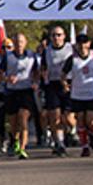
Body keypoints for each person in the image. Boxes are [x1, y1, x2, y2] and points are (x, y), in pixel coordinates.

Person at [0, 32, 42, 159]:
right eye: (16, 42)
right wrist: (7, 79)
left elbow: (37, 72)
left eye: (21, 42)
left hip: (26, 91)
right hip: (12, 91)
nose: (19, 45)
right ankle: (15, 141)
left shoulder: (31, 56)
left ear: (25, 43)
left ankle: (23, 148)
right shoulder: (8, 57)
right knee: (13, 122)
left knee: (23, 118)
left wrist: (35, 82)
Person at [62, 34, 93, 157]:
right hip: (78, 94)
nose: (82, 45)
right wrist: (65, 84)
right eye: (79, 43)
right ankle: (85, 146)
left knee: (91, 121)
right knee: (80, 119)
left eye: (84, 43)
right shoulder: (72, 59)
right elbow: (63, 74)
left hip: (92, 93)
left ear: (88, 43)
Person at [39, 25, 75, 156]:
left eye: (59, 35)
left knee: (68, 117)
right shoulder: (47, 51)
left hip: (69, 84)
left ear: (64, 36)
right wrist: (43, 77)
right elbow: (43, 67)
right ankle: (59, 143)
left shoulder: (71, 49)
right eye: (54, 35)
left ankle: (73, 131)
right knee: (54, 117)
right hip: (53, 84)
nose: (56, 38)